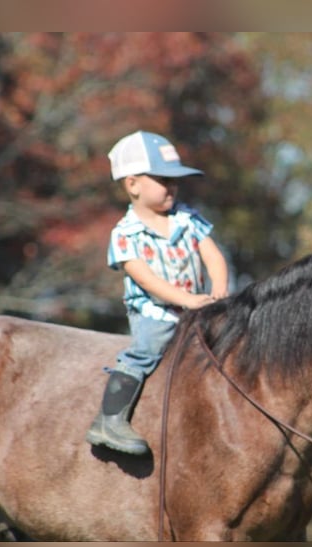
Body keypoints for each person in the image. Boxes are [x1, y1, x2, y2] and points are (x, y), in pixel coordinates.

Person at [86, 130, 229, 455]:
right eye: (163, 179)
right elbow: (147, 280)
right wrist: (188, 300)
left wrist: (219, 291)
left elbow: (213, 255)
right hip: (156, 312)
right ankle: (109, 419)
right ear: (132, 184)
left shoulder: (188, 219)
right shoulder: (125, 234)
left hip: (197, 308)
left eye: (175, 180)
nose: (173, 187)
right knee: (146, 350)